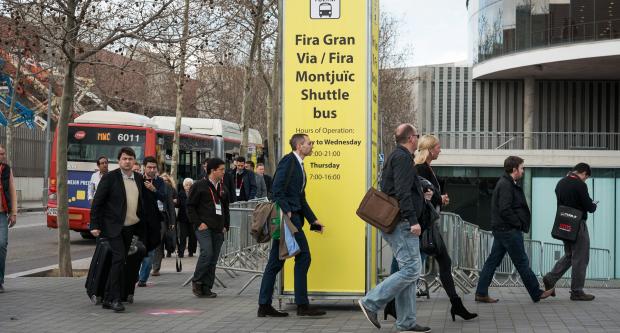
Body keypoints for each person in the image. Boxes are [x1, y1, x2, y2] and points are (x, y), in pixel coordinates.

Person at [358, 124, 431, 333]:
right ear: (410, 138)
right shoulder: (402, 158)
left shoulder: (398, 157)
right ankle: (371, 302)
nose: (418, 139)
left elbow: (401, 188)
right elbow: (401, 192)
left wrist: (421, 193)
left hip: (401, 221)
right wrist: (413, 220)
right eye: (417, 135)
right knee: (411, 269)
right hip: (403, 223)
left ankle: (406, 321)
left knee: (409, 270)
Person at [257, 133, 326, 318]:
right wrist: (287, 211)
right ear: (299, 146)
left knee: (276, 262)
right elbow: (276, 190)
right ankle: (301, 305)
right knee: (303, 257)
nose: (312, 146)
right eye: (309, 143)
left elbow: (300, 197)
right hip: (288, 219)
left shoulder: (300, 165)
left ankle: (264, 305)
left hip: (293, 218)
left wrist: (313, 219)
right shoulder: (288, 162)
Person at [411, 135, 476, 321]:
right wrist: (440, 199)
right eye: (438, 147)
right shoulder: (420, 169)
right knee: (412, 269)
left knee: (440, 263)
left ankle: (456, 305)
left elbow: (431, 194)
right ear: (430, 150)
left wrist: (440, 199)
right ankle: (456, 306)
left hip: (428, 225)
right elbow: (424, 194)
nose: (440, 150)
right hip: (424, 226)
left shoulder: (427, 168)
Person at [475, 156, 555, 303]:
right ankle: (536, 293)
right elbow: (505, 209)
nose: (523, 171)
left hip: (503, 230)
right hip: (508, 230)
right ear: (514, 169)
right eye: (522, 168)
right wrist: (517, 223)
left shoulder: (507, 183)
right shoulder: (506, 184)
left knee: (492, 261)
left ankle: (481, 292)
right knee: (522, 262)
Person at [89, 147, 148, 312]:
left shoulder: (138, 178)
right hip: (113, 227)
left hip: (130, 227)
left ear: (134, 161)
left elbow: (141, 203)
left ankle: (108, 297)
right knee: (119, 258)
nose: (127, 161)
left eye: (130, 159)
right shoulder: (110, 178)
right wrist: (94, 225)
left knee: (120, 260)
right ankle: (115, 298)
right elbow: (98, 203)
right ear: (119, 161)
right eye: (124, 159)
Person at [543, 163, 598, 301]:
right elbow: (588, 206)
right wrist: (593, 205)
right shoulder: (580, 185)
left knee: (570, 255)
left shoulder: (561, 183)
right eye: (586, 177)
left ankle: (551, 277)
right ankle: (577, 291)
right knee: (580, 257)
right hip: (578, 224)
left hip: (564, 223)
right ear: (584, 173)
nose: (585, 180)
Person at [187, 158, 230, 298]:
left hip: (218, 228)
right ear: (213, 170)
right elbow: (190, 206)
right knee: (207, 253)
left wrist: (226, 225)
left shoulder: (223, 188)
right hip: (204, 227)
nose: (224, 172)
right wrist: (198, 223)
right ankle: (197, 280)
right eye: (221, 170)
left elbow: (226, 208)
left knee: (213, 259)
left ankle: (206, 287)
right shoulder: (199, 185)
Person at [0, 145, 18, 293]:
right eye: (0, 154)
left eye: (3, 153)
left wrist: (14, 212)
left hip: (2, 214)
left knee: (1, 245)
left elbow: (12, 190)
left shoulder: (6, 169)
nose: (2, 156)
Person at [177, 178, 196, 258]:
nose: (188, 187)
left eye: (190, 185)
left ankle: (191, 251)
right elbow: (178, 204)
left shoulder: (195, 193)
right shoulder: (180, 194)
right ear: (184, 186)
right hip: (183, 218)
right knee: (183, 236)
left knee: (192, 235)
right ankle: (181, 252)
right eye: (186, 185)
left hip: (192, 218)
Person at [160, 173, 178, 258]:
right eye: (163, 180)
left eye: (166, 180)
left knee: (168, 235)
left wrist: (175, 201)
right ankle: (161, 253)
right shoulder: (158, 188)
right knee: (161, 236)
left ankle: (169, 250)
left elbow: (174, 202)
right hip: (161, 215)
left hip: (169, 214)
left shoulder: (172, 189)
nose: (164, 182)